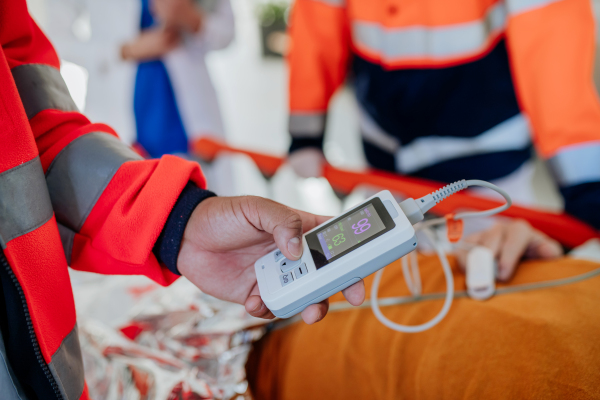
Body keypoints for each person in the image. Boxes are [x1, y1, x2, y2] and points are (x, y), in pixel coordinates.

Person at [0, 1, 363, 399]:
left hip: (168, 139)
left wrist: (180, 223)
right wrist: (126, 50)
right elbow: (66, 39)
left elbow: (29, 130)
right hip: (127, 105)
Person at [285, 0, 600, 265]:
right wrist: (306, 132)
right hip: (385, 169)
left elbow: (554, 50)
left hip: (487, 178)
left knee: (492, 297)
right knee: (390, 297)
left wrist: (586, 186)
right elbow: (318, 21)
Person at [120, 0, 234, 158]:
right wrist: (125, 50)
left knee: (193, 172)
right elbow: (74, 47)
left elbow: (227, 32)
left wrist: (191, 18)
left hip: (187, 109)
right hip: (134, 94)